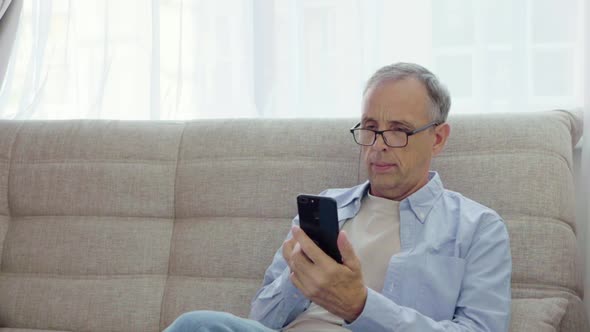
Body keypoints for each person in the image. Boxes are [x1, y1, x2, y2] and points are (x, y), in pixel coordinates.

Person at [165, 62, 512, 331]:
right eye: (371, 128)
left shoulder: (478, 228)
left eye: (399, 131)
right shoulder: (326, 208)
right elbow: (261, 318)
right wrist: (299, 279)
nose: (377, 146)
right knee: (196, 325)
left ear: (438, 138)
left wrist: (359, 305)